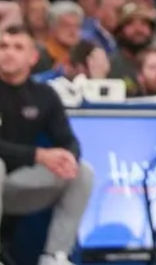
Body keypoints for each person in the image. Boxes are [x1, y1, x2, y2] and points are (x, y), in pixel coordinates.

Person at [0, 24, 95, 265]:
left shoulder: (45, 95)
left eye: (17, 47)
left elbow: (69, 140)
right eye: (3, 46)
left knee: (82, 172)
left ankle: (54, 255)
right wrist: (38, 155)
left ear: (32, 57)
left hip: (18, 185)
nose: (8, 52)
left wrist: (67, 158)